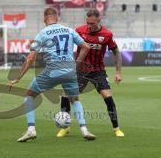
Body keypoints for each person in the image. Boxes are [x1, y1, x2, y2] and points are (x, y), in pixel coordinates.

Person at [8, 7, 96, 142]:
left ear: (45, 18)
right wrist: (76, 63)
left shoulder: (42, 33)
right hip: (69, 70)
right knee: (75, 99)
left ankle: (31, 130)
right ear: (57, 17)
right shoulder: (69, 30)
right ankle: (84, 129)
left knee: (30, 95)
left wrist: (18, 78)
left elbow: (31, 57)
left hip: (52, 71)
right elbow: (86, 47)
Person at [57, 9, 125, 137]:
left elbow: (116, 52)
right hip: (80, 71)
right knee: (66, 94)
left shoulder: (107, 34)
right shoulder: (79, 31)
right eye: (87, 23)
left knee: (108, 97)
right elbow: (68, 46)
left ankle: (116, 128)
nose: (89, 26)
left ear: (99, 20)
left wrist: (118, 72)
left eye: (92, 23)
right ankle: (65, 127)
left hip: (97, 71)